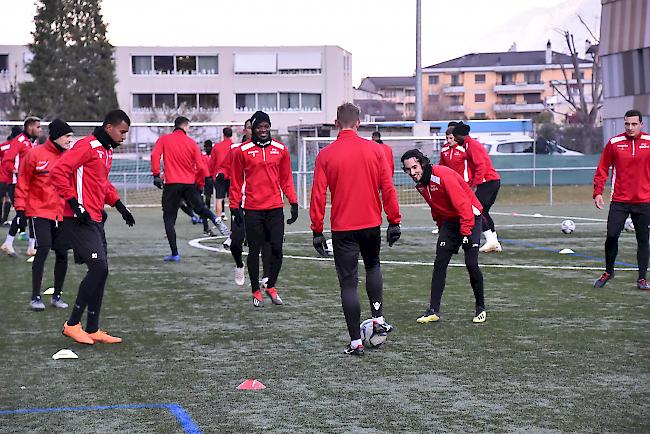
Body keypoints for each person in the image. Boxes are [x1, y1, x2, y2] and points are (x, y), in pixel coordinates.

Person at [310, 103, 401, 356]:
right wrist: (394, 221)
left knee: (348, 284)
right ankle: (378, 318)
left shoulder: (326, 155)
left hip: (343, 229)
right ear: (359, 122)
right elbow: (388, 187)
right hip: (371, 224)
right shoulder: (375, 150)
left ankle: (355, 342)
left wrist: (317, 230)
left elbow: (317, 196)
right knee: (373, 267)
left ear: (336, 123)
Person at [50, 109, 136, 345]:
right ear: (109, 128)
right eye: (122, 132)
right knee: (98, 268)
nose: (124, 137)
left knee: (102, 271)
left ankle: (93, 328)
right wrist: (74, 204)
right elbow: (58, 172)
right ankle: (72, 324)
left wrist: (119, 205)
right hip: (78, 219)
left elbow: (102, 182)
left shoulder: (106, 151)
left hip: (95, 218)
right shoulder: (86, 146)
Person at [401, 149, 487, 325]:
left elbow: (463, 206)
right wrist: (441, 229)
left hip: (470, 217)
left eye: (415, 167)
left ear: (422, 163)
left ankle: (480, 308)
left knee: (471, 263)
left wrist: (465, 232)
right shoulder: (421, 184)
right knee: (439, 263)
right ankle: (433, 311)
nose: (412, 172)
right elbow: (436, 208)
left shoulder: (442, 176)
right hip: (450, 222)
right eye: (408, 169)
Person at [229, 111, 298, 307]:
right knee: (254, 251)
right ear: (254, 128)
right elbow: (236, 180)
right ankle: (255, 289)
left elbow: (286, 179)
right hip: (252, 209)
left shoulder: (281, 149)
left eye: (266, 127)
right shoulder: (241, 151)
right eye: (259, 127)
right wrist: (234, 207)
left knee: (277, 248)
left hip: (275, 208)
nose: (263, 130)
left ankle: (271, 285)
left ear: (270, 128)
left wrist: (293, 202)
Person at [151, 116, 229, 262]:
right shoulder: (192, 143)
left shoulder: (164, 139)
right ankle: (214, 218)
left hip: (172, 184)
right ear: (186, 126)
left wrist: (156, 174)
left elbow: (155, 155)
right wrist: (206, 178)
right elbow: (200, 165)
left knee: (169, 219)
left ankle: (175, 254)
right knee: (200, 208)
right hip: (189, 184)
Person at [15, 119, 74, 311]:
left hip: (62, 213)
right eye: (67, 136)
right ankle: (35, 297)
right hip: (39, 211)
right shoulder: (34, 154)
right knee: (44, 248)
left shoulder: (70, 157)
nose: (70, 140)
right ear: (56, 136)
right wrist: (20, 209)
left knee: (62, 253)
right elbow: (23, 182)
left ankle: (57, 296)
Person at [593, 109, 650, 290]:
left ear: (641, 124)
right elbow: (602, 168)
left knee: (643, 240)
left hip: (644, 201)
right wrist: (598, 192)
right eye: (627, 124)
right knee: (611, 236)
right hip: (619, 200)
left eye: (634, 124)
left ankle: (642, 279)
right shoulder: (615, 143)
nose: (630, 127)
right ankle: (609, 271)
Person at [219, 119, 272, 287]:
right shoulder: (236, 150)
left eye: (256, 127)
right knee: (236, 241)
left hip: (262, 204)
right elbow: (225, 168)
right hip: (240, 204)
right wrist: (221, 174)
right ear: (245, 131)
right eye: (250, 128)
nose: (254, 130)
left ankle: (266, 275)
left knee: (265, 241)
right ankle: (239, 265)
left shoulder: (267, 149)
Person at [453, 122, 502, 253]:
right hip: (492, 181)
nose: (454, 139)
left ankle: (491, 240)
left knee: (476, 210)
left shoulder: (472, 146)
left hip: (488, 182)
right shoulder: (469, 145)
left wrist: (475, 185)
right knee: (484, 212)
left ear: (460, 135)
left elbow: (481, 166)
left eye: (455, 136)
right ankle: (494, 241)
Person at [0, 117, 42, 256]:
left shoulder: (32, 142)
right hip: (16, 184)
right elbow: (7, 161)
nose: (40, 130)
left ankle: (31, 247)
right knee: (22, 214)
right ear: (30, 127)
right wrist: (16, 172)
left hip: (29, 184)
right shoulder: (18, 141)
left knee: (33, 213)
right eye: (38, 127)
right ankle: (8, 243)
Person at [210, 127, 234, 221]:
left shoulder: (217, 146)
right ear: (231, 135)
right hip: (231, 176)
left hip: (219, 175)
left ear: (223, 134)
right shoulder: (234, 146)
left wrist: (212, 174)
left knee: (219, 198)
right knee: (233, 199)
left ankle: (219, 218)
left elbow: (212, 162)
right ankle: (234, 217)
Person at [0, 126, 23, 226]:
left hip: (3, 177)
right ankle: (6, 220)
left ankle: (3, 220)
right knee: (13, 201)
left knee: (3, 199)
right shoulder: (18, 146)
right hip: (11, 178)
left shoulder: (3, 146)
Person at [201, 139, 215, 236]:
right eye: (207, 147)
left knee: (217, 197)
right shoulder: (203, 157)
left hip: (211, 179)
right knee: (206, 199)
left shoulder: (213, 156)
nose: (208, 149)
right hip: (205, 180)